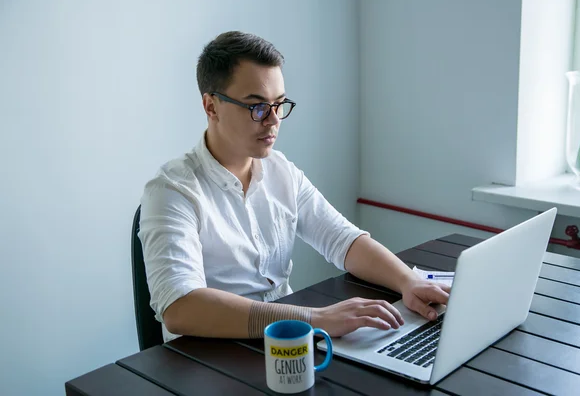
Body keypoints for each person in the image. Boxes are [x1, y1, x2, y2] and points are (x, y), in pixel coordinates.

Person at [138, 31, 451, 343]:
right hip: (212, 356)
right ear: (211, 107)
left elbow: (343, 240)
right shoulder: (171, 191)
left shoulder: (280, 170)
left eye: (279, 104)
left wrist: (408, 281)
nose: (274, 120)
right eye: (256, 107)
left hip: (287, 342)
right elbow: (180, 309)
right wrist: (315, 319)